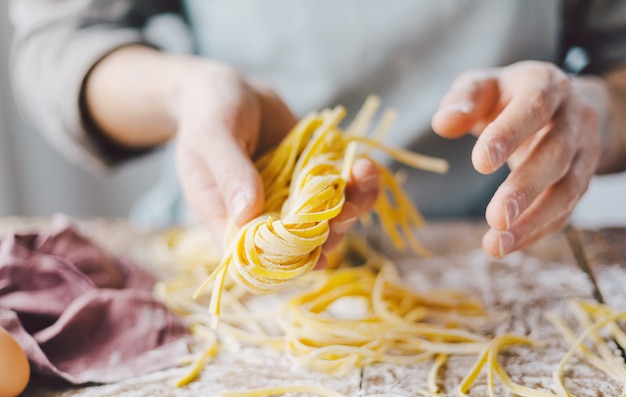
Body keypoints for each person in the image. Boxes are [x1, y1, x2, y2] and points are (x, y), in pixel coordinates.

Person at [8, 0, 626, 260]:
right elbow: (64, 40)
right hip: (220, 233)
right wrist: (189, 92)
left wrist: (597, 108)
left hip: (496, 251)